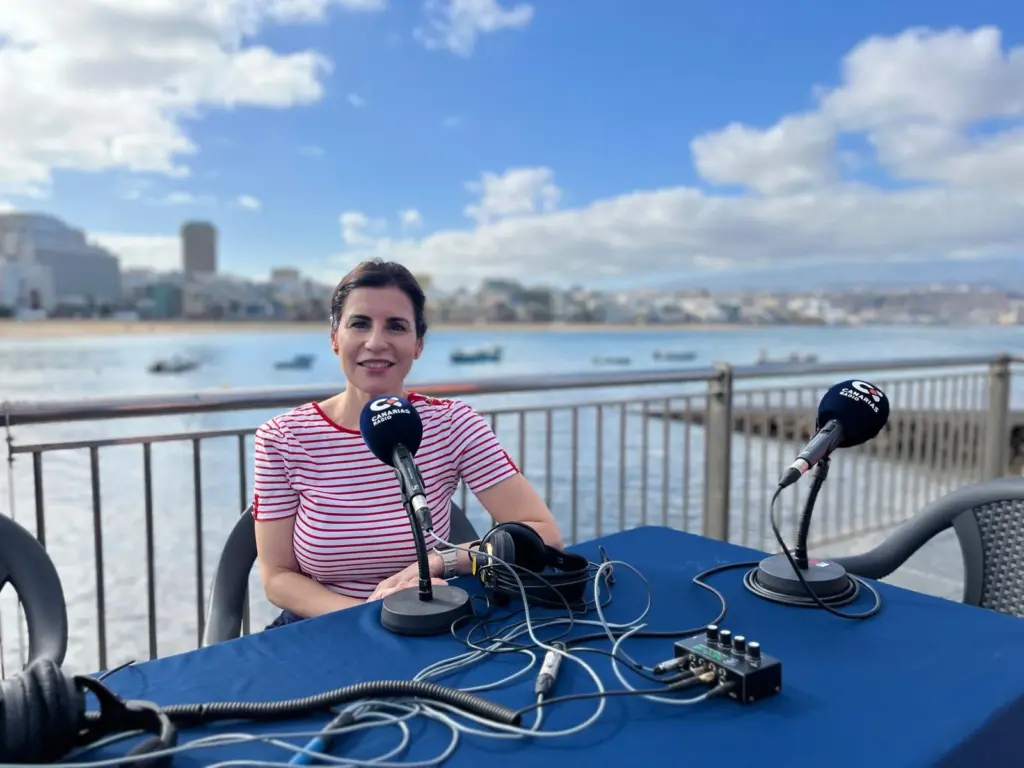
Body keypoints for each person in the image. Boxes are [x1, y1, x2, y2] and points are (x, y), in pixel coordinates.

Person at [252, 258, 565, 628]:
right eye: (360, 323)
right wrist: (367, 616)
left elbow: (542, 533)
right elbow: (277, 577)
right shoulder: (282, 437)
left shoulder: (452, 423)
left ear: (417, 344)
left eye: (396, 327)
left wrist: (438, 561)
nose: (376, 342)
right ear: (335, 338)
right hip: (322, 628)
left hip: (426, 620)